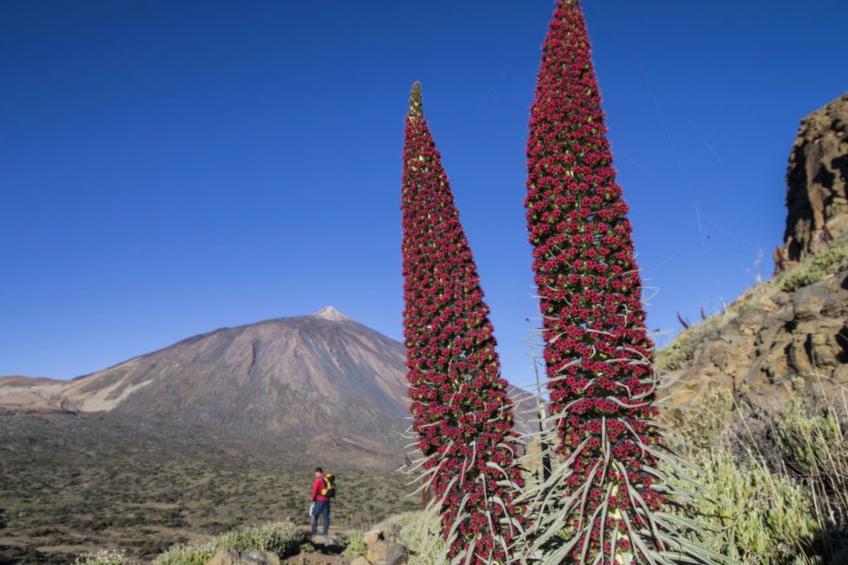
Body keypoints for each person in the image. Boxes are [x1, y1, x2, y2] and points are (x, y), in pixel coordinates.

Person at [309, 467, 330, 537]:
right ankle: (325, 533)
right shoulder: (327, 479)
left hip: (319, 501)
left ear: (318, 473)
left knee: (313, 515)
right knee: (326, 517)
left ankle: (313, 532)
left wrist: (312, 498)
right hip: (327, 501)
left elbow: (315, 490)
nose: (315, 475)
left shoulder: (318, 480)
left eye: (315, 473)